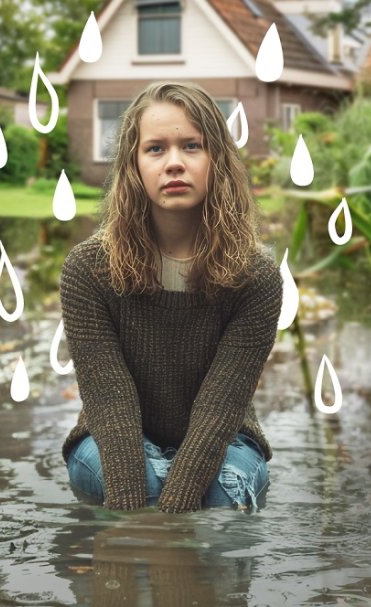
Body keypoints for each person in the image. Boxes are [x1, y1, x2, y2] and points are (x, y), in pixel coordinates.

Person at [59, 81, 283, 514]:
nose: (175, 163)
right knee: (130, 482)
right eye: (156, 149)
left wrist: (174, 509)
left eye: (192, 146)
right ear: (133, 164)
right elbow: (110, 400)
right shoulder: (88, 270)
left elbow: (221, 406)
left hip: (225, 438)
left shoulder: (256, 277)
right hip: (115, 434)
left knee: (221, 493)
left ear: (216, 158)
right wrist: (138, 523)